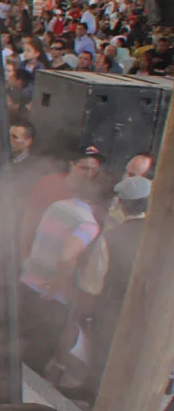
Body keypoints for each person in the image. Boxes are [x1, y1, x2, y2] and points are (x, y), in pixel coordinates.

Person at [17, 168, 109, 375]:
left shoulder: (57, 206)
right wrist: (59, 283)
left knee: (18, 344)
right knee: (36, 357)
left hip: (28, 281)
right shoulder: (87, 223)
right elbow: (67, 255)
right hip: (49, 295)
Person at [78, 174, 150, 395]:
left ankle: (94, 400)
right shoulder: (164, 238)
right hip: (150, 319)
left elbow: (92, 285)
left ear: (121, 204)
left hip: (112, 314)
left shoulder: (111, 238)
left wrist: (83, 315)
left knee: (104, 365)